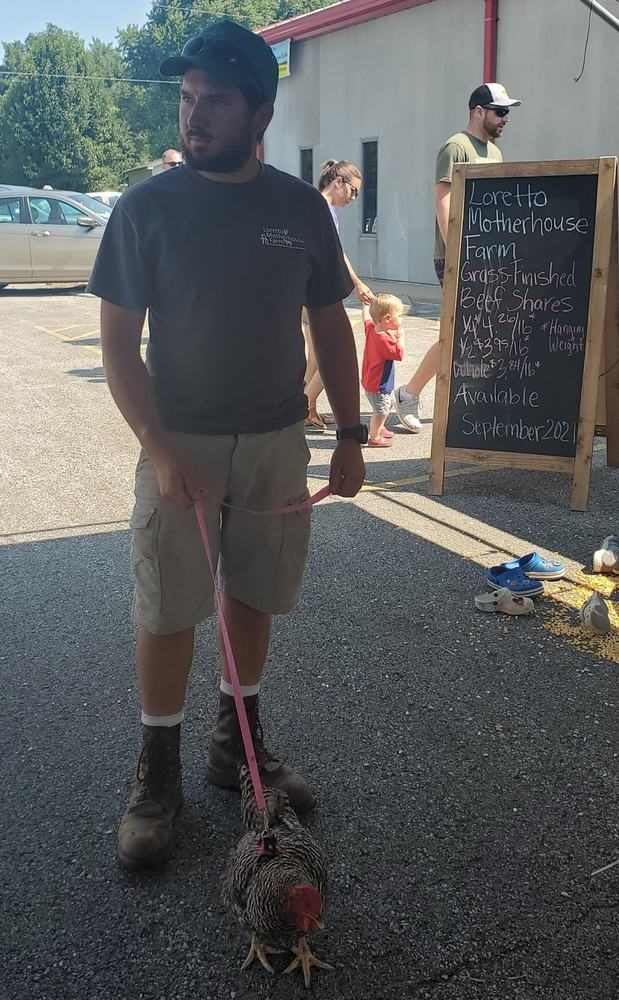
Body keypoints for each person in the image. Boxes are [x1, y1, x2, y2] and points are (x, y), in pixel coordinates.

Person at [88, 19, 366, 871]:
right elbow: (117, 348)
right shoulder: (144, 210)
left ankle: (234, 750)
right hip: (182, 445)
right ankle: (158, 772)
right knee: (168, 609)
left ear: (261, 114)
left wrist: (352, 434)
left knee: (250, 598)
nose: (194, 115)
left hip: (278, 438)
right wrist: (159, 447)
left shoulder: (298, 208)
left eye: (215, 101)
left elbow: (329, 323)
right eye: (186, 98)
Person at [394, 82, 521, 432]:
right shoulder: (456, 147)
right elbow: (443, 202)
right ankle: (409, 393)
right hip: (459, 258)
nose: (505, 119)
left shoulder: (493, 153)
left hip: (490, 257)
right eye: (500, 111)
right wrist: (459, 254)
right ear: (478, 110)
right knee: (456, 332)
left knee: (479, 333)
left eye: (507, 112)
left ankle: (470, 400)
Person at [304, 159, 374, 433]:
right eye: (353, 191)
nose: (354, 197)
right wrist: (357, 283)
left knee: (313, 356)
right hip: (316, 291)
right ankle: (303, 406)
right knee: (325, 355)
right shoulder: (323, 208)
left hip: (310, 288)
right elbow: (337, 254)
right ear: (338, 183)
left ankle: (308, 411)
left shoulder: (321, 207)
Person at [361, 293, 405, 448]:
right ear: (387, 318)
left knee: (383, 406)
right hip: (378, 384)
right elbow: (400, 354)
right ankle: (374, 436)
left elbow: (366, 317)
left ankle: (379, 427)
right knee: (381, 410)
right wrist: (400, 337)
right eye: (399, 315)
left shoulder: (372, 328)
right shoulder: (384, 340)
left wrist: (367, 305)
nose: (401, 319)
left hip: (371, 380)